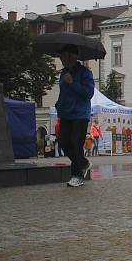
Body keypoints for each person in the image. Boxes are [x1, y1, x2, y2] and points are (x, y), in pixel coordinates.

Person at [54, 44, 94, 187]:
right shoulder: (63, 73)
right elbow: (63, 92)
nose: (61, 59)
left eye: (63, 56)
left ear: (72, 56)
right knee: (63, 142)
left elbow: (89, 93)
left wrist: (73, 83)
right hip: (66, 113)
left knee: (76, 143)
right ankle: (82, 162)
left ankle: (77, 175)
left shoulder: (85, 73)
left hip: (80, 114)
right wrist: (59, 104)